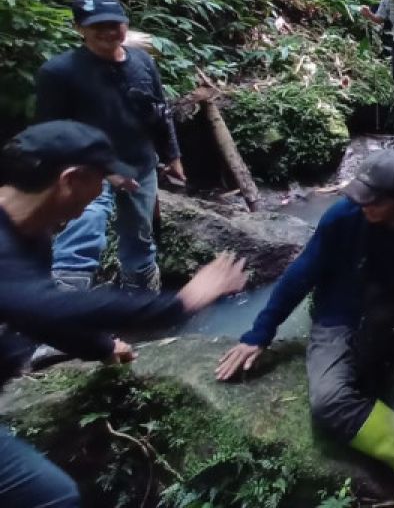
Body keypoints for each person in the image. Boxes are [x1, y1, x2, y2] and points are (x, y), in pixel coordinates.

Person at [216, 150, 394, 508]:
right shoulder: (341, 217)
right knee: (329, 401)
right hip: (341, 315)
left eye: (373, 202)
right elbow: (300, 275)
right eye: (359, 197)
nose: (363, 206)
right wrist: (260, 332)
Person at [1, 121, 248, 507]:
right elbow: (48, 303)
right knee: (53, 497)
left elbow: (33, 312)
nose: (106, 189)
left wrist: (98, 346)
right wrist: (181, 303)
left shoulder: (29, 233)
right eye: (103, 179)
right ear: (72, 179)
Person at [36, 0, 184, 293]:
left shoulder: (142, 61)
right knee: (82, 235)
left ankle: (139, 306)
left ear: (125, 25)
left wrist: (172, 156)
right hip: (86, 169)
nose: (106, 31)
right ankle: (64, 314)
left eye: (113, 23)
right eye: (96, 25)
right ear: (79, 28)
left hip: (139, 164)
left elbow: (160, 111)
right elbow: (52, 131)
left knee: (139, 238)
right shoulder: (58, 72)